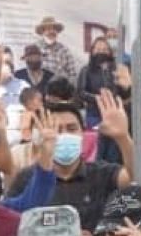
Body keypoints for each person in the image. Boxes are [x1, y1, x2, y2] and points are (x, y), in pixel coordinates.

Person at [9, 92, 132, 227]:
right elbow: (9, 220)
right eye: (56, 129)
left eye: (72, 128)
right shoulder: (27, 178)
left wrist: (123, 137)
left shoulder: (102, 173)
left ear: (82, 133)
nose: (65, 135)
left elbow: (135, 176)